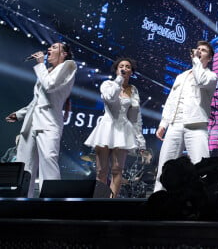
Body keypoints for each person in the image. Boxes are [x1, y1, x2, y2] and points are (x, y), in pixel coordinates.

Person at [5, 42, 77, 197]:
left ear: (64, 54)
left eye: (54, 47)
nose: (49, 49)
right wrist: (20, 114)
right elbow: (37, 100)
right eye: (49, 47)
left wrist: (40, 64)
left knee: (48, 159)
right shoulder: (46, 71)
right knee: (25, 164)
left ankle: (51, 200)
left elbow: (50, 85)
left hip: (49, 122)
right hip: (32, 122)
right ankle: (21, 200)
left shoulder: (68, 67)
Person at [154, 41, 218, 192]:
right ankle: (159, 199)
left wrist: (196, 60)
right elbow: (171, 100)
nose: (199, 51)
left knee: (201, 165)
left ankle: (204, 200)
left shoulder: (211, 76)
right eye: (198, 49)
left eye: (203, 51)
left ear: (209, 58)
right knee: (165, 164)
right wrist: (164, 123)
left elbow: (201, 80)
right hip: (175, 124)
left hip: (196, 125)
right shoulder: (181, 76)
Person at [84, 57, 146, 198]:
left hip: (124, 130)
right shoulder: (108, 84)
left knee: (117, 169)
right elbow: (110, 98)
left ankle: (111, 201)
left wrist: (140, 140)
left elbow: (135, 117)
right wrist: (119, 80)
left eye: (128, 66)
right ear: (117, 70)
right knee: (101, 171)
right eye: (121, 66)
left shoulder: (134, 90)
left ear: (131, 72)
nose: (124, 68)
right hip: (107, 128)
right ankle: (99, 201)